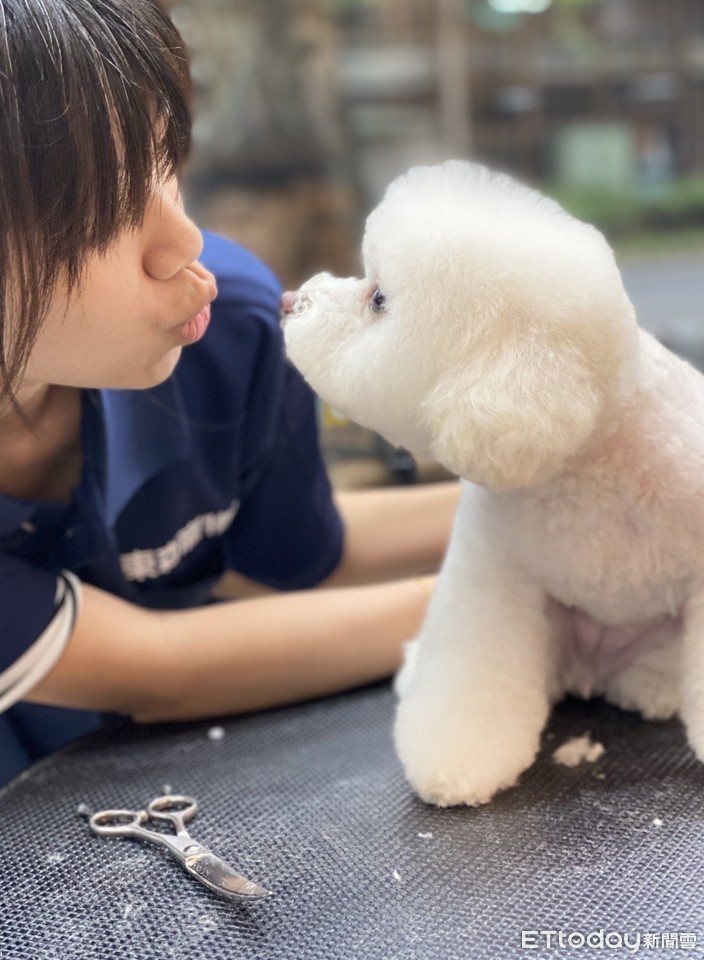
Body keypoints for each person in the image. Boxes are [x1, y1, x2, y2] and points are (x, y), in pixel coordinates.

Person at [0, 0, 460, 787]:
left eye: (163, 162)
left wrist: (571, 497)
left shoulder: (229, 324)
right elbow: (159, 672)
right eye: (99, 207)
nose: (183, 239)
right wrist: (507, 602)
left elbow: (300, 550)